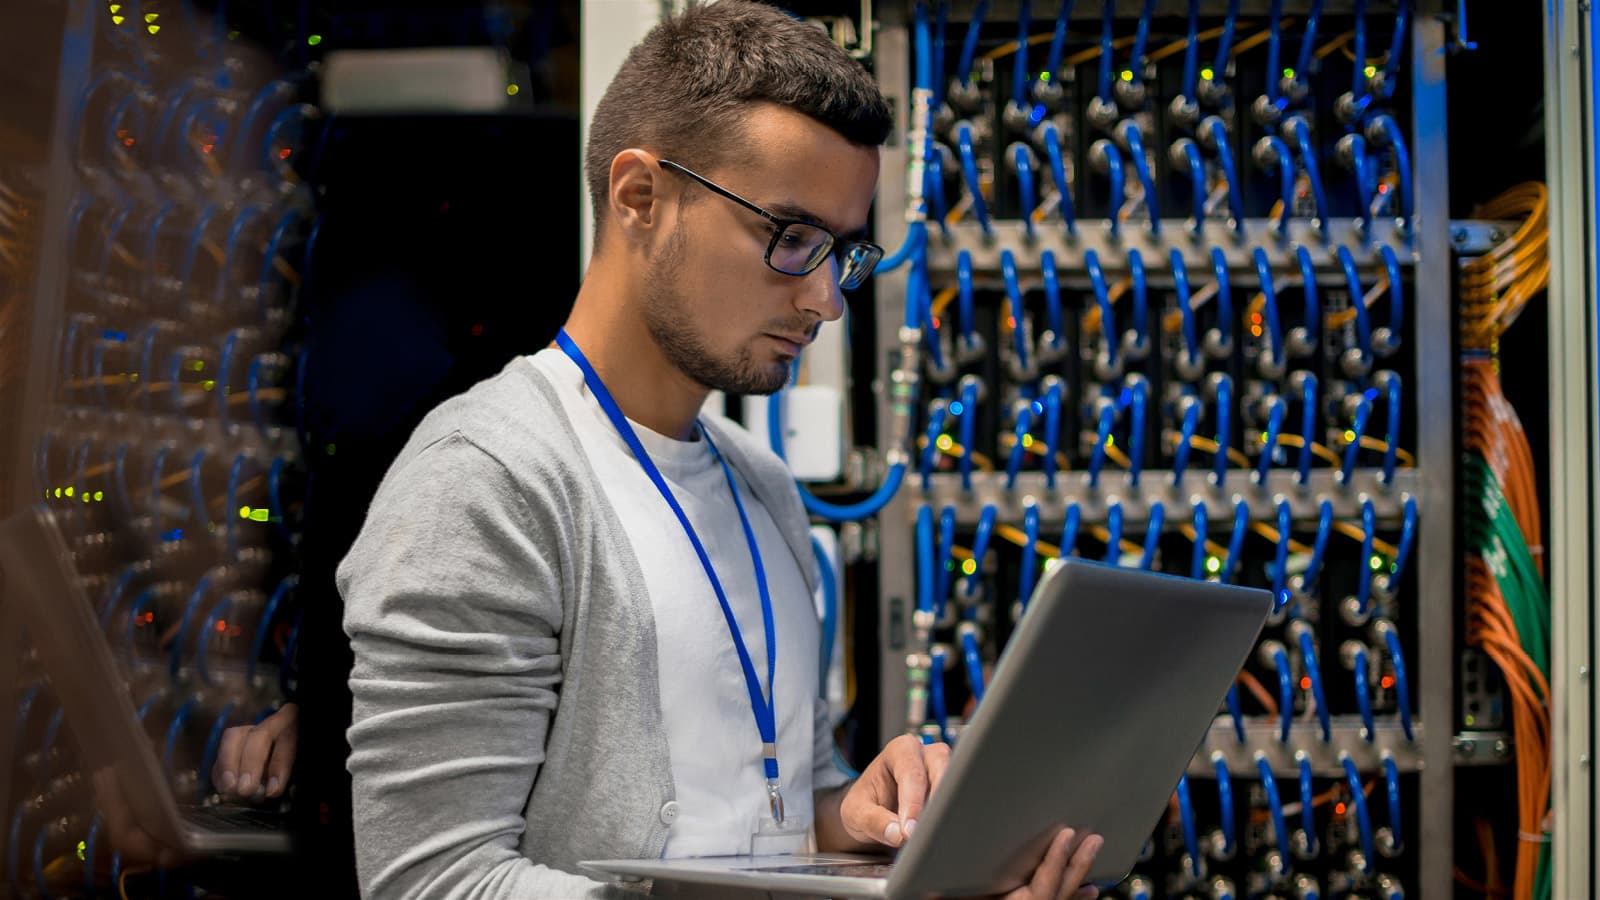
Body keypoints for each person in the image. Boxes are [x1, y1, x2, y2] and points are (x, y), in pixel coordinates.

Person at [233, 3, 1105, 897]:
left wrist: (861, 818)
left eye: (838, 252)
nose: (824, 301)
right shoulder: (487, 480)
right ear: (640, 197)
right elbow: (433, 880)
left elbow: (771, 812)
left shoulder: (762, 486)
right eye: (791, 238)